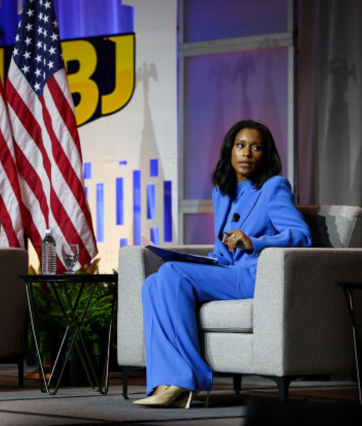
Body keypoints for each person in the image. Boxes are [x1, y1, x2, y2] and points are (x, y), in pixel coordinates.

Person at [134, 120, 312, 408]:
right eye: (240, 146)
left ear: (265, 155)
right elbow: (223, 249)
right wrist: (208, 261)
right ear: (230, 151)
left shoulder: (273, 187)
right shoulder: (223, 192)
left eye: (256, 148)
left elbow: (302, 236)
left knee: (170, 272)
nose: (246, 153)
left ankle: (186, 379)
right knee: (154, 282)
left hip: (254, 276)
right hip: (228, 271)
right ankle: (165, 382)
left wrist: (253, 242)